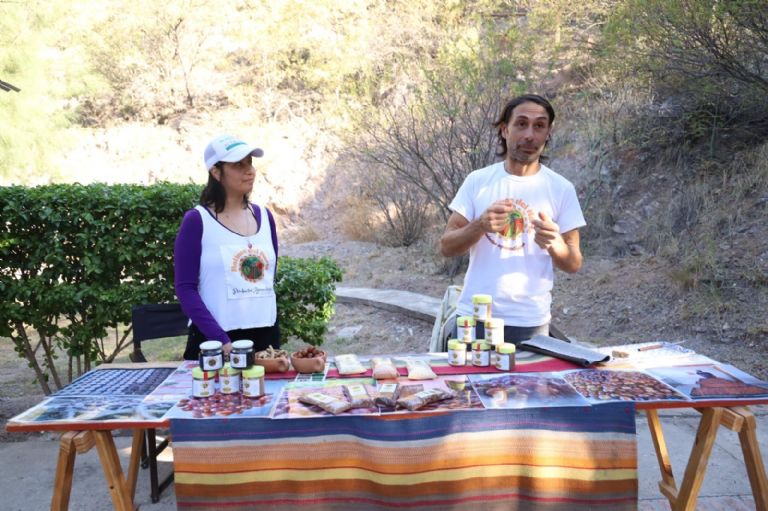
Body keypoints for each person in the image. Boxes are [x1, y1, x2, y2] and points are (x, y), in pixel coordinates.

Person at [439, 94, 585, 344]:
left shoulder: (561, 188)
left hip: (530, 322)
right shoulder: (478, 181)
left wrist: (555, 244)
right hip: (475, 318)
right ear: (505, 130)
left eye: (539, 126)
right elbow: (446, 246)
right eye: (521, 124)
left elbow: (573, 263)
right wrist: (480, 225)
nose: (529, 135)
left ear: (548, 133)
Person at [175, 134, 280, 360]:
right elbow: (185, 289)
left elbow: (268, 279)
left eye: (250, 162)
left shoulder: (265, 216)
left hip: (266, 340)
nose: (249, 171)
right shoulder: (197, 221)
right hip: (214, 343)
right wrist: (221, 341)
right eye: (238, 165)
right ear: (216, 172)